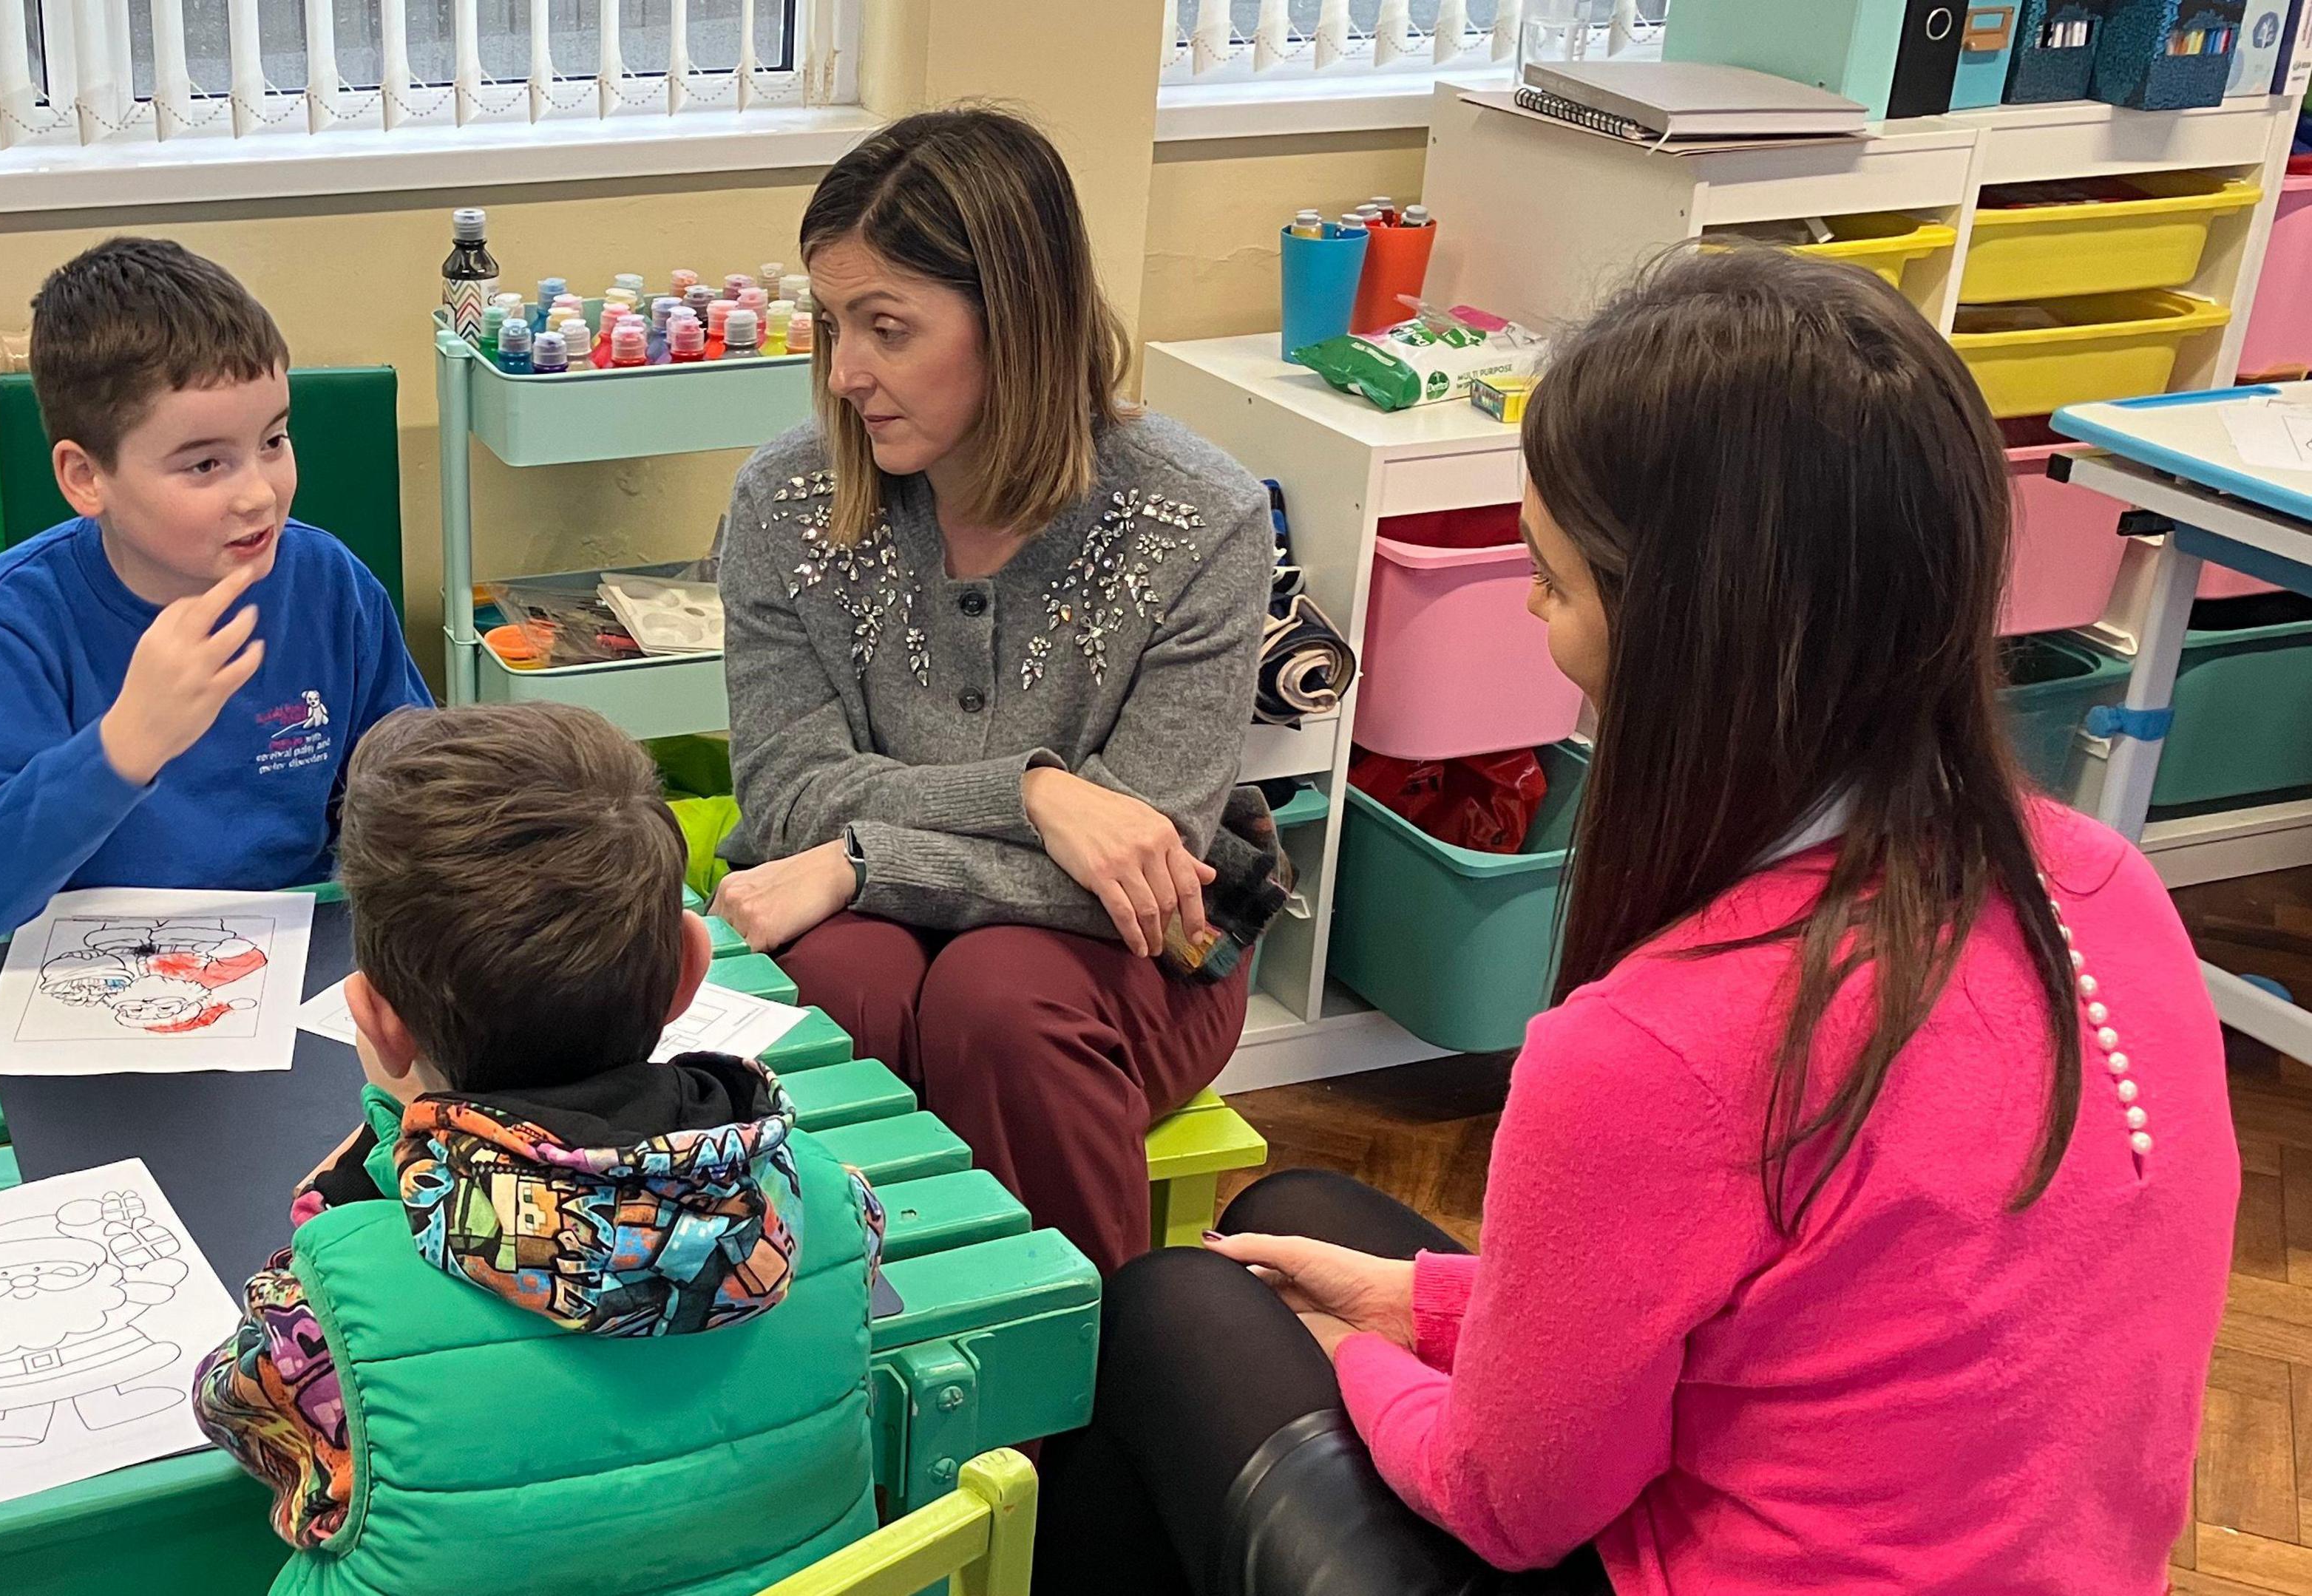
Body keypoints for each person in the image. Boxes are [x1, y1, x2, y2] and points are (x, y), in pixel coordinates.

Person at [1037, 248, 2239, 1595]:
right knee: (1304, 1210)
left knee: (1171, 1306)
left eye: (1553, 578)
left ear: (1686, 627)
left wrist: (1356, 1355)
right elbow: (1814, 1319)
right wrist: (1423, 1305)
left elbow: (1509, 1502)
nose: (1539, 615)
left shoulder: (1663, 1038)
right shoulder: (2098, 881)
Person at [711, 106, 1281, 1275]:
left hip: (1133, 955)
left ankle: (1076, 1402)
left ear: (1017, 323)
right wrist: (1034, 797)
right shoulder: (784, 502)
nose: (843, 372)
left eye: (887, 328)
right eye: (831, 322)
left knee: (1001, 997)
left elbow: (1139, 874)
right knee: (840, 979)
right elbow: (783, 794)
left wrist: (870, 859)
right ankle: (825, 1367)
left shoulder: (1200, 518)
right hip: (871, 921)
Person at [190, 702, 885, 1591]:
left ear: (376, 1022)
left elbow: (232, 1407)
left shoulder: (325, 1312)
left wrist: (366, 1182)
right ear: (688, 970)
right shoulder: (829, 1203)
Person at [0, 237, 429, 942]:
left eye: (274, 441)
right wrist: (129, 741)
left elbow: (414, 799)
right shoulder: (20, 617)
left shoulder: (328, 583)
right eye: (206, 464)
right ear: (86, 478)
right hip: (94, 973)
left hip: (299, 962)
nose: (258, 494)